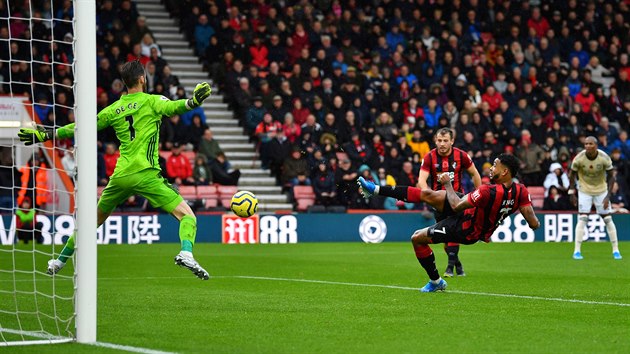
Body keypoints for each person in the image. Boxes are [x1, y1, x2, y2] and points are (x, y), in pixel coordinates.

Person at [18, 60, 213, 279]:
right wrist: (193, 101)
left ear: (124, 83)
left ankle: (59, 260)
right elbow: (175, 107)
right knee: (187, 216)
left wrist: (47, 134)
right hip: (146, 174)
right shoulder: (152, 101)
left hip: (120, 176)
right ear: (142, 79)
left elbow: (82, 126)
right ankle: (186, 252)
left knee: (92, 222)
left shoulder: (114, 109)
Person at [358, 154, 540, 292]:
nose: (491, 169)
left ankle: (436, 282)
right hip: (471, 214)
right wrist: (504, 212)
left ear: (505, 171)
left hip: (466, 228)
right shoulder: (521, 191)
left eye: (494, 166)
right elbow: (534, 224)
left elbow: (456, 205)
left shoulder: (487, 191)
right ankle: (374, 189)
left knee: (417, 238)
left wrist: (447, 184)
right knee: (429, 195)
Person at [418, 127, 481, 277]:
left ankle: (449, 268)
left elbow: (475, 174)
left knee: (453, 233)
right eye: (439, 140)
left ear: (452, 141)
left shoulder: (462, 156)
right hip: (438, 202)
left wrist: (479, 195)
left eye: (445, 141)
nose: (442, 144)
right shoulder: (429, 157)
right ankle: (457, 263)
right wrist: (428, 195)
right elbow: (421, 180)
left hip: (457, 201)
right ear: (435, 140)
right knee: (445, 237)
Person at [568, 136, 622, 260]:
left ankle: (616, 250)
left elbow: (612, 176)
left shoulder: (604, 157)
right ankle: (577, 251)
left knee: (607, 219)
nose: (587, 146)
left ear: (596, 145)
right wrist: (571, 192)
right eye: (586, 144)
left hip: (601, 190)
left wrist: (608, 196)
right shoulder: (579, 158)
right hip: (584, 190)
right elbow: (572, 174)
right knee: (582, 218)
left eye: (590, 144)